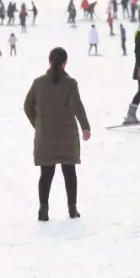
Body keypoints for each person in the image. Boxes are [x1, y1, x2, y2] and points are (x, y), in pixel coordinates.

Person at [23, 47, 91, 222]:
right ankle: (72, 209)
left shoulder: (38, 83)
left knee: (46, 174)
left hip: (45, 135)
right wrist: (85, 127)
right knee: (69, 172)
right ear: (64, 63)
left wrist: (37, 124)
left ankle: (43, 210)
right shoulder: (70, 83)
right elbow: (77, 106)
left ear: (49, 61)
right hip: (67, 136)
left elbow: (27, 106)